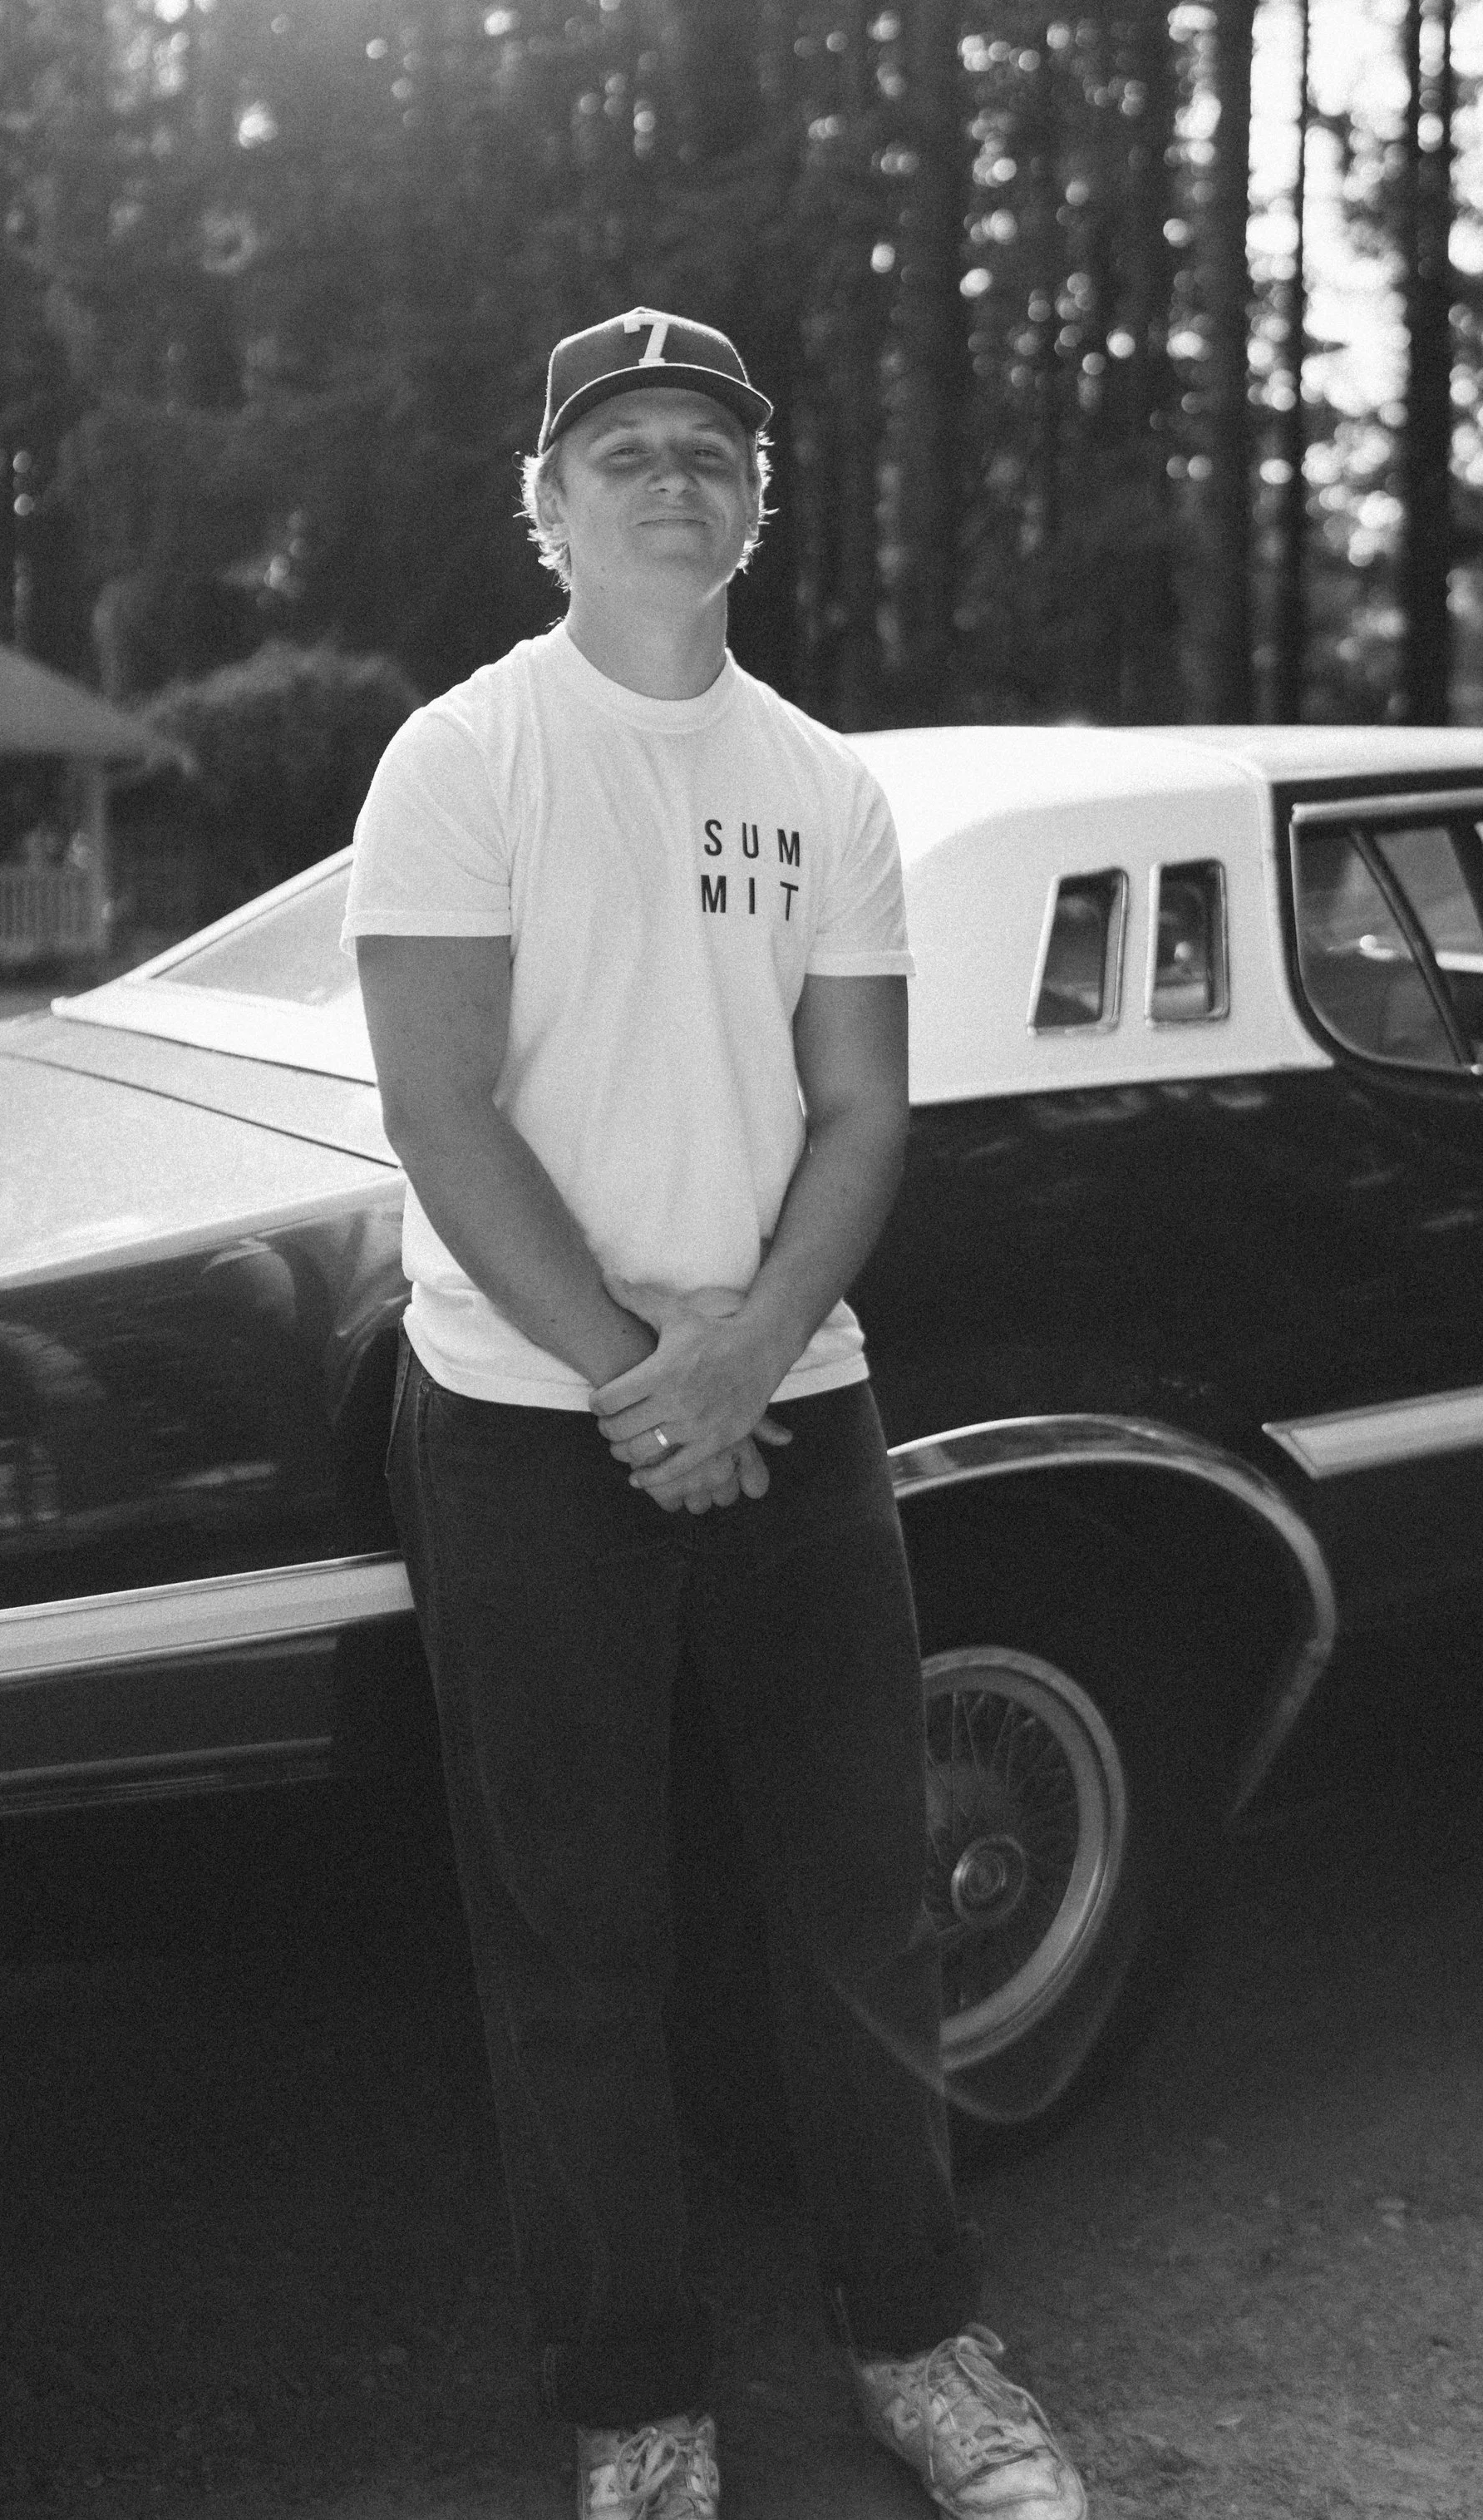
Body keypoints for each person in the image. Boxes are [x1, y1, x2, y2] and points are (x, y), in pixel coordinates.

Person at [345, 308, 1087, 2520]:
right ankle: (637, 2397)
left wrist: (745, 1354)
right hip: (521, 1416)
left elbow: (861, 1109)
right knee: (573, 1922)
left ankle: (923, 2343)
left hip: (789, 1408)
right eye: (623, 445)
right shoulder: (460, 757)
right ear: (544, 500)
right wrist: (630, 1377)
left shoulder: (825, 784)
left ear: (757, 498)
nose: (671, 474)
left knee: (855, 1897)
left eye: (711, 448)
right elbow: (436, 1103)